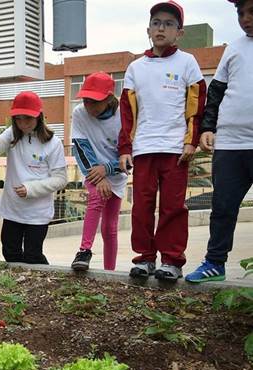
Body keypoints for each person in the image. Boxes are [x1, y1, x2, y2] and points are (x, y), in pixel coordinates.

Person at [118, 0, 206, 280]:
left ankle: (171, 261)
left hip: (175, 150)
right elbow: (127, 112)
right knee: (141, 206)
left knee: (173, 206)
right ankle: (144, 258)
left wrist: (191, 141)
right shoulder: (136, 67)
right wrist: (125, 148)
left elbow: (197, 105)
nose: (161, 28)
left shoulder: (187, 62)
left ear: (179, 32)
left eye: (169, 24)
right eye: (156, 23)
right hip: (144, 148)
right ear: (148, 30)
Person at [186, 0, 253, 283]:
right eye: (240, 13)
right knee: (223, 207)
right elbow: (216, 91)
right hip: (230, 144)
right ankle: (215, 262)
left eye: (251, 12)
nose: (245, 19)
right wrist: (207, 127)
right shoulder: (234, 49)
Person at [0, 91, 68, 264]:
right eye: (18, 119)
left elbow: (61, 179)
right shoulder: (12, 134)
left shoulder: (53, 143)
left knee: (33, 256)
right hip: (12, 210)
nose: (23, 124)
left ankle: (46, 284)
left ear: (39, 116)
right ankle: (17, 288)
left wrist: (31, 189)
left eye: (28, 119)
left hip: (38, 213)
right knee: (10, 253)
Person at [70, 72, 127, 272]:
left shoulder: (124, 114)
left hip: (117, 173)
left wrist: (108, 169)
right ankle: (84, 251)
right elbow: (80, 147)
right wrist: (98, 174)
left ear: (110, 98)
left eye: (95, 101)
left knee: (110, 228)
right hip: (91, 169)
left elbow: (130, 156)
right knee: (96, 198)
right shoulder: (79, 114)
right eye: (86, 100)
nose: (89, 106)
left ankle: (109, 271)